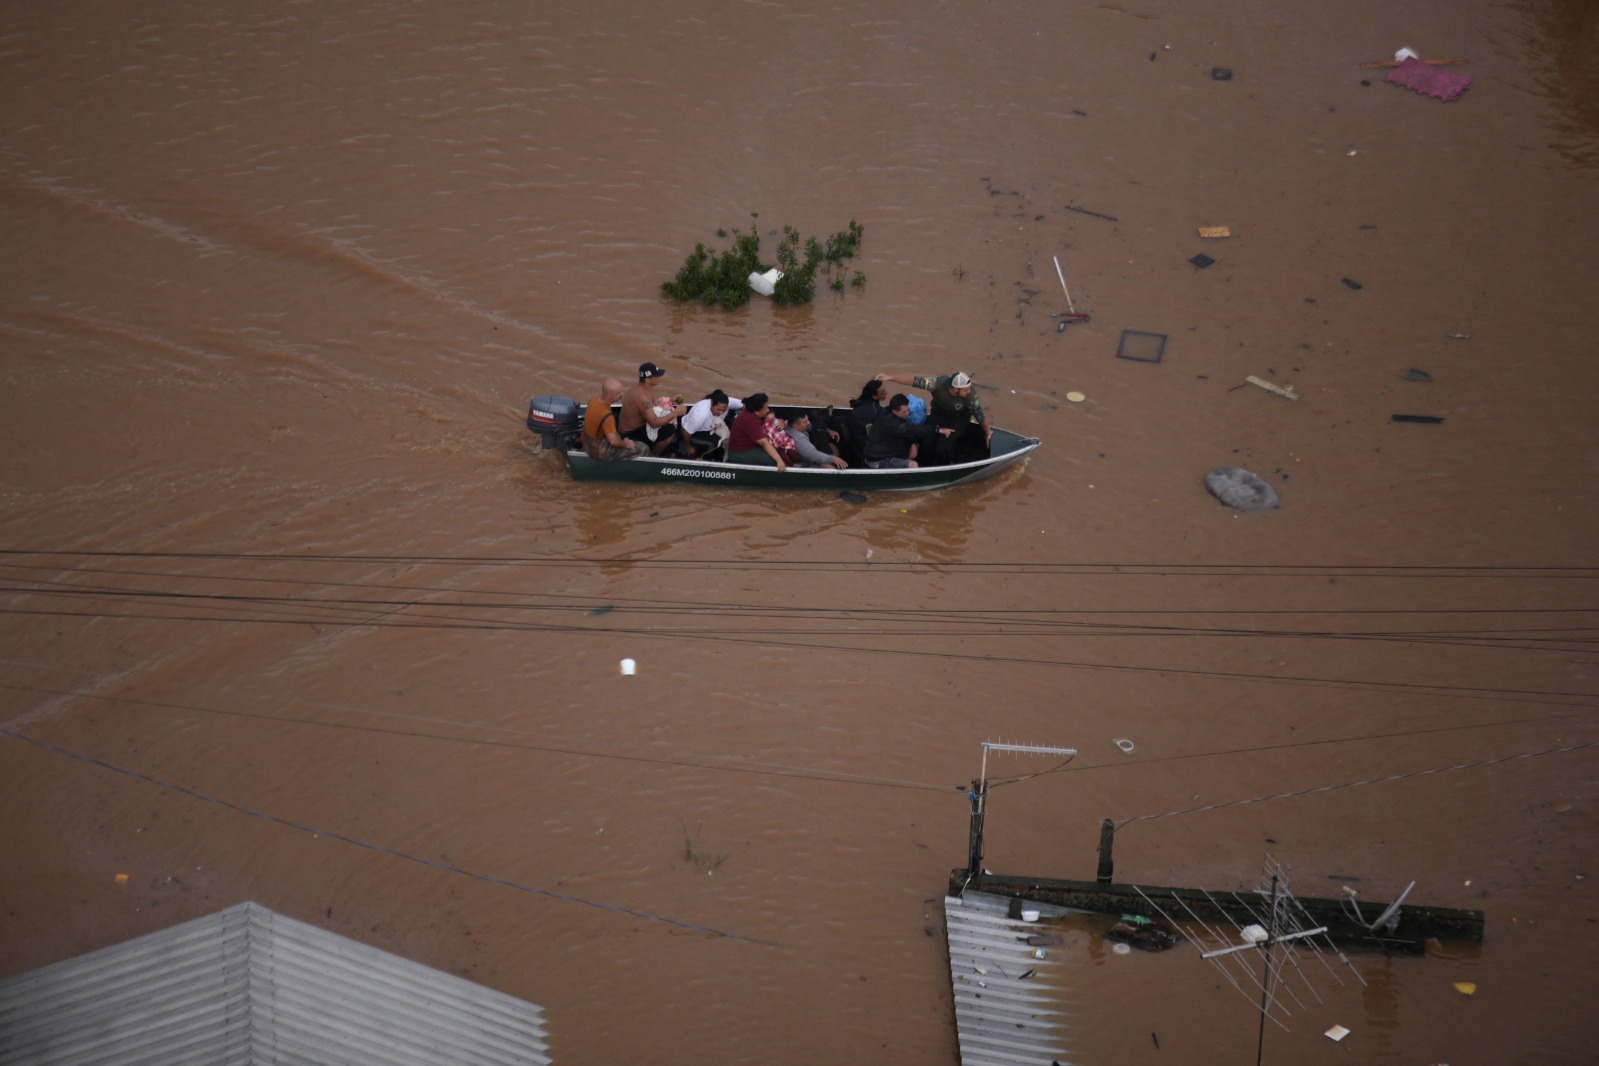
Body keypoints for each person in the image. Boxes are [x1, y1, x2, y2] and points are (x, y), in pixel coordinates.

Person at [876, 370, 991, 464]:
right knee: (926, 442)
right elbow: (913, 380)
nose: (969, 391)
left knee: (942, 448)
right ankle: (924, 466)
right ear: (955, 389)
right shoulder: (937, 384)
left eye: (969, 388)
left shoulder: (970, 395)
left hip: (958, 419)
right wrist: (889, 377)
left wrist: (987, 432)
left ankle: (943, 468)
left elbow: (979, 414)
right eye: (965, 390)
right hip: (938, 414)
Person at [618, 362, 689, 456]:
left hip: (639, 424)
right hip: (630, 434)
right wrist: (675, 413)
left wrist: (670, 400)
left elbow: (653, 402)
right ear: (648, 380)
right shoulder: (641, 397)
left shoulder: (641, 387)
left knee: (668, 421)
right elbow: (654, 423)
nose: (660, 377)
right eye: (657, 376)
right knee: (670, 430)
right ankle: (653, 455)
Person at [581, 378, 649, 461]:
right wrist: (625, 443)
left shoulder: (595, 399)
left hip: (587, 441)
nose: (622, 395)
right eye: (618, 393)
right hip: (596, 450)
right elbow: (614, 442)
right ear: (609, 395)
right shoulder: (607, 416)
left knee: (619, 434)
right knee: (643, 448)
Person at [726, 393, 787, 470]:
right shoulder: (750, 420)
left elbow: (772, 421)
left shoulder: (755, 414)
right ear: (758, 410)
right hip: (740, 452)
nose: (768, 410)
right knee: (773, 461)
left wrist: (781, 423)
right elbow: (764, 443)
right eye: (765, 409)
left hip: (753, 446)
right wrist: (779, 460)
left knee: (778, 452)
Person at [680, 389, 742, 460]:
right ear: (711, 404)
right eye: (718, 409)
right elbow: (686, 432)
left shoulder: (728, 402)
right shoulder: (700, 415)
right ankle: (702, 457)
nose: (721, 413)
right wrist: (689, 447)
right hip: (694, 431)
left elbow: (744, 405)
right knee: (716, 442)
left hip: (712, 427)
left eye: (724, 410)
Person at [861, 394, 920, 469]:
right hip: (878, 460)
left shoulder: (893, 414)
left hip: (887, 453)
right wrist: (935, 429)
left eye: (908, 410)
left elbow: (908, 432)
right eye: (904, 412)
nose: (907, 413)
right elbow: (914, 430)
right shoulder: (890, 422)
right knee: (913, 465)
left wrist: (913, 443)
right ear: (894, 411)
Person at [843, 377, 887, 467]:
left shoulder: (859, 404)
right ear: (874, 396)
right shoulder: (877, 411)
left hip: (854, 447)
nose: (886, 393)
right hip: (864, 453)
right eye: (882, 393)